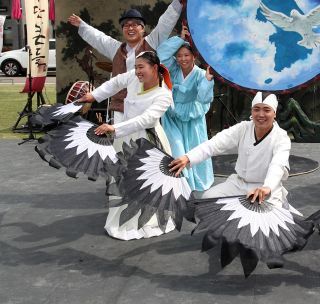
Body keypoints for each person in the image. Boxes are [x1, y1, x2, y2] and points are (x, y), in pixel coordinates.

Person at [78, 51, 175, 240]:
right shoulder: (133, 77)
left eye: (141, 67)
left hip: (148, 141)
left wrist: (114, 128)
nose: (137, 71)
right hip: (124, 138)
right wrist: (93, 96)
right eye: (136, 67)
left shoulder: (164, 95)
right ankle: (122, 219)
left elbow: (146, 120)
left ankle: (147, 220)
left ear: (154, 68)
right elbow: (114, 83)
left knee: (145, 183)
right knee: (121, 179)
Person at [68, 0, 187, 132]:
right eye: (126, 25)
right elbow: (99, 38)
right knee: (120, 142)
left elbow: (164, 24)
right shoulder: (116, 48)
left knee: (144, 143)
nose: (130, 28)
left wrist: (177, 0)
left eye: (134, 24)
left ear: (142, 29)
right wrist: (82, 25)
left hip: (145, 103)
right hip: (120, 104)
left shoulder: (151, 43)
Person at [169, 92, 293, 209]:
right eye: (256, 109)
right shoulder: (243, 128)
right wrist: (188, 158)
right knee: (208, 199)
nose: (261, 114)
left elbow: (277, 165)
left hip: (266, 189)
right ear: (251, 111)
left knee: (267, 222)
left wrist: (267, 187)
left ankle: (282, 205)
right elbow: (215, 143)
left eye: (266, 110)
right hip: (240, 184)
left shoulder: (281, 137)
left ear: (274, 113)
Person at [157, 27, 215, 192]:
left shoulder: (200, 74)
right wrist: (180, 39)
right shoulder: (173, 69)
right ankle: (179, 183)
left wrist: (207, 81)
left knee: (194, 149)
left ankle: (195, 183)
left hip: (193, 117)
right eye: (179, 55)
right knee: (176, 148)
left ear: (194, 57)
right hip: (173, 117)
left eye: (186, 55)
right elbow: (160, 56)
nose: (183, 59)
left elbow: (204, 99)